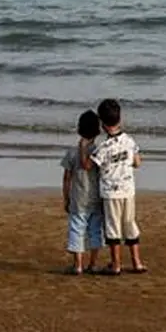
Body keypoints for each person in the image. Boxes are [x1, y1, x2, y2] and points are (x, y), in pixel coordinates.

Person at [83, 98, 146, 275]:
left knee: (113, 228)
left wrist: (84, 147)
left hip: (110, 193)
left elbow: (88, 165)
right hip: (128, 190)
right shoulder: (129, 141)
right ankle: (137, 262)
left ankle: (116, 264)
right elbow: (137, 162)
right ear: (120, 119)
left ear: (102, 124)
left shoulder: (103, 148)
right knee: (130, 224)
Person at [61, 110, 104, 275]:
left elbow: (66, 179)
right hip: (95, 198)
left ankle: (78, 264)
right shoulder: (99, 152)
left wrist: (66, 198)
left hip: (78, 198)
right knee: (94, 230)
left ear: (79, 128)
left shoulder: (72, 153)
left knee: (77, 229)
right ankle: (93, 263)